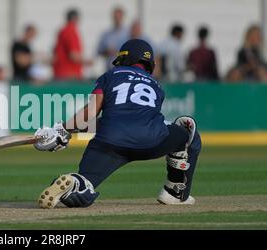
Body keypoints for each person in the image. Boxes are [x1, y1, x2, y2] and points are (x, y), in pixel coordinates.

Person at [33, 39, 201, 209]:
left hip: (110, 141)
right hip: (150, 139)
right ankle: (175, 193)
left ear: (123, 58)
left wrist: (63, 130)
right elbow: (134, 120)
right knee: (186, 128)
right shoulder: (156, 86)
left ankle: (76, 184)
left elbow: (92, 114)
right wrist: (66, 131)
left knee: (85, 182)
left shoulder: (109, 76)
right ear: (149, 64)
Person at [52, 9, 91, 80]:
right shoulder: (71, 31)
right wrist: (88, 61)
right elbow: (73, 55)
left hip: (60, 72)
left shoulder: (62, 31)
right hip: (70, 74)